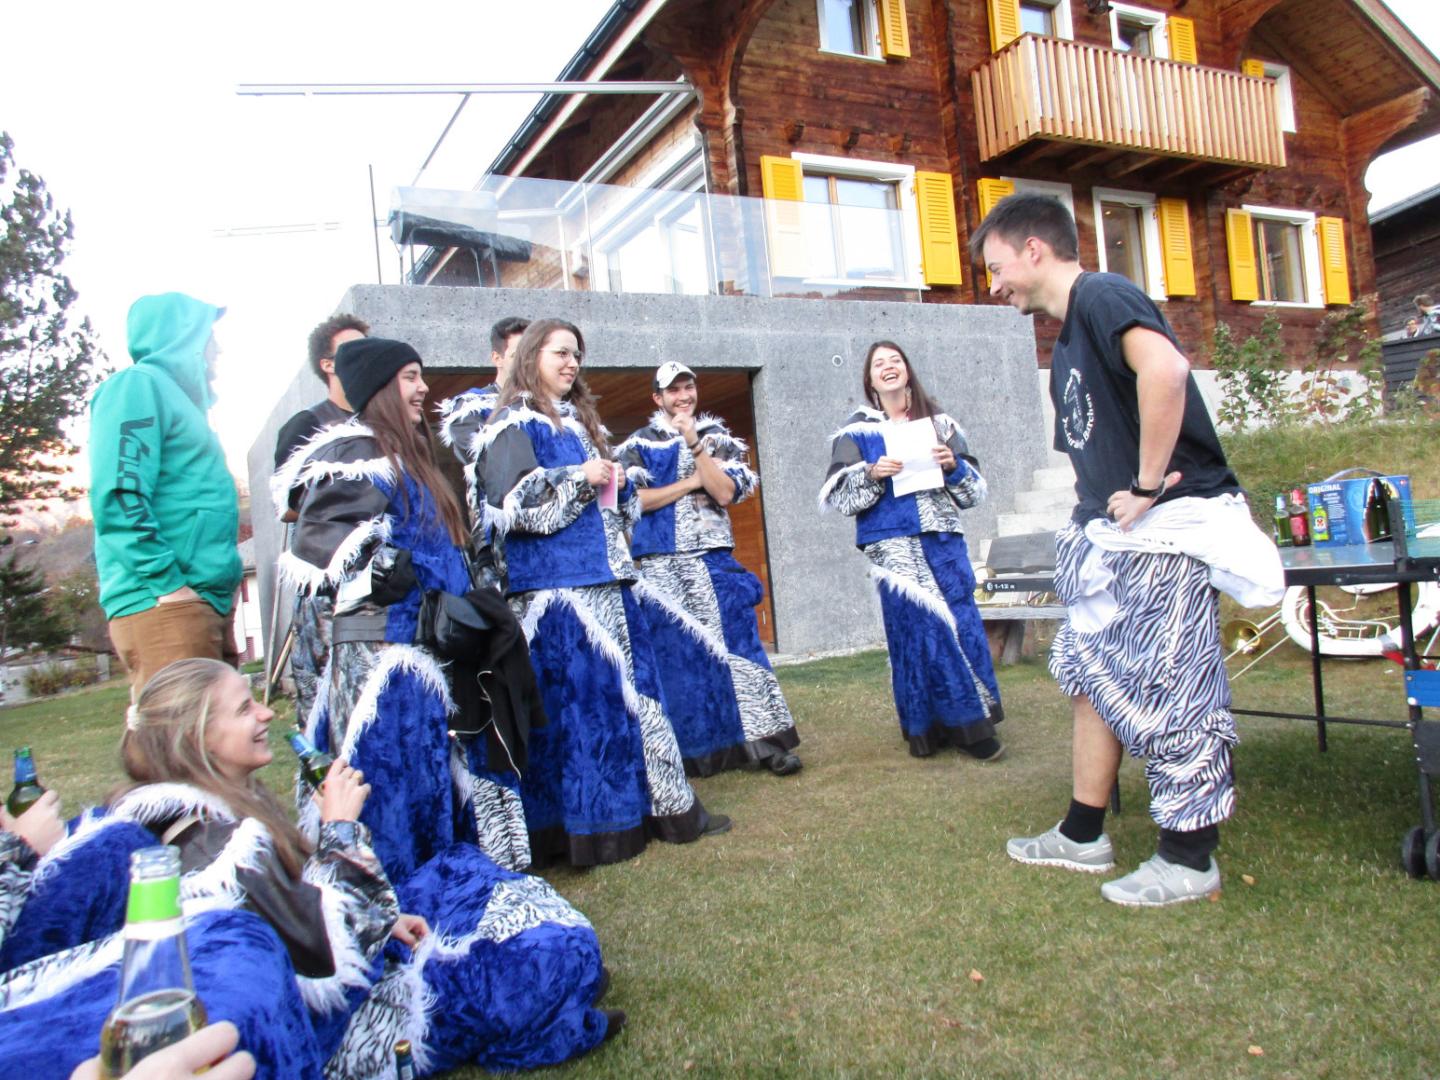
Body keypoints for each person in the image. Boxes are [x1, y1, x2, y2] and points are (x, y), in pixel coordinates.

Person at [974, 193, 1282, 906]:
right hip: (1112, 542)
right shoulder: (1067, 342)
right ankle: (1083, 833)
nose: (994, 286)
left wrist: (1145, 485)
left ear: (1033, 250)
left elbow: (1166, 373)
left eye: (996, 267)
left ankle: (1189, 857)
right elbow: (1094, 449)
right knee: (1093, 681)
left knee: (1176, 687)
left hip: (1166, 532)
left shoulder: (1104, 295)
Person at [101, 658, 617, 1075]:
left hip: (348, 964)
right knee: (552, 960)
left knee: (457, 868)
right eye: (243, 709)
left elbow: (296, 911)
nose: (265, 714)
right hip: (345, 1033)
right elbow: (329, 966)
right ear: (197, 739)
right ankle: (552, 999)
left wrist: (386, 920)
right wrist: (341, 829)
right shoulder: (218, 850)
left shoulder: (212, 811)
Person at [477, 319, 731, 866]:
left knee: (638, 700)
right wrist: (580, 477)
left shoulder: (577, 423)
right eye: (560, 353)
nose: (571, 363)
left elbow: (612, 509)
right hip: (559, 598)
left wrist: (618, 486)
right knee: (582, 715)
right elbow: (512, 507)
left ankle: (667, 810)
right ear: (531, 356)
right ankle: (593, 829)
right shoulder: (510, 424)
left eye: (576, 354)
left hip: (610, 582)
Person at [278, 337, 534, 877]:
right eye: (410, 377)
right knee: (386, 791)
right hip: (383, 663)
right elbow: (322, 545)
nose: (423, 388)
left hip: (418, 655)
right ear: (379, 386)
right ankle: (384, 894)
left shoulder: (403, 454)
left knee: (425, 785)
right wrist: (401, 577)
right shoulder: (358, 451)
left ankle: (426, 884)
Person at [820, 342, 1003, 762]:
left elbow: (975, 492)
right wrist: (871, 473)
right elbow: (840, 498)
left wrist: (953, 465)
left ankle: (971, 718)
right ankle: (948, 729)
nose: (888, 367)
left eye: (895, 361)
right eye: (879, 364)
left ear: (907, 370)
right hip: (891, 543)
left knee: (961, 625)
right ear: (870, 380)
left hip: (943, 539)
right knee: (921, 632)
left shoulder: (940, 424)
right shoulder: (855, 433)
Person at [618, 362, 802, 777]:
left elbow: (724, 491)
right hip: (659, 564)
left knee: (741, 650)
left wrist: (695, 445)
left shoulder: (717, 438)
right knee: (677, 660)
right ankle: (697, 754)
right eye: (673, 390)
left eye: (688, 388)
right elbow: (633, 502)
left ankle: (769, 746)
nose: (683, 396)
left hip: (713, 558)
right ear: (658, 398)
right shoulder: (636, 445)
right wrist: (688, 484)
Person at [89, 293, 241, 694]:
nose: (218, 349)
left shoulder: (185, 405)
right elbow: (118, 495)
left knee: (217, 731)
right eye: (210, 337)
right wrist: (170, 586)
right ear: (184, 337)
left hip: (201, 600)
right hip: (165, 602)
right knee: (183, 731)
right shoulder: (137, 386)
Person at [270, 314, 368, 725]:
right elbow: (287, 506)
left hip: (382, 587)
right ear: (328, 364)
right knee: (326, 702)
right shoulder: (307, 424)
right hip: (328, 589)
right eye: (352, 348)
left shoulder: (383, 422)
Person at [437, 315, 530, 590]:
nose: (528, 361)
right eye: (519, 353)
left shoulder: (556, 408)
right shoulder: (472, 406)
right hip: (499, 546)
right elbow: (493, 466)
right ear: (497, 358)